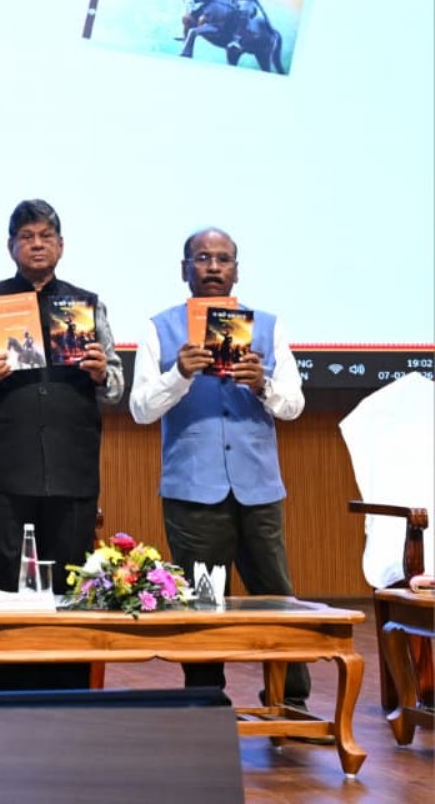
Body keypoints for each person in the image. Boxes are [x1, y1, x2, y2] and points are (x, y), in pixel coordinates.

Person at [130, 227, 309, 709]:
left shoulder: (269, 326)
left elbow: (293, 405)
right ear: (184, 269)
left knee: (277, 595)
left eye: (223, 259)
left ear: (236, 269)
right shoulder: (160, 329)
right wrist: (180, 373)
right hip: (193, 489)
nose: (212, 267)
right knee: (203, 600)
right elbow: (141, 409)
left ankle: (291, 698)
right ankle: (205, 699)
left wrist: (263, 385)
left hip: (258, 487)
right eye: (202, 258)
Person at [0, 199, 123, 691]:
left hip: (70, 466)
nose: (37, 243)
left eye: (46, 235)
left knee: (68, 584)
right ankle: (10, 694)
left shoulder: (87, 304)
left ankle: (65, 694)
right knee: (5, 588)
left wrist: (101, 372)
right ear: (11, 247)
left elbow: (117, 385)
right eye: (27, 236)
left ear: (61, 245)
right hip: (3, 467)